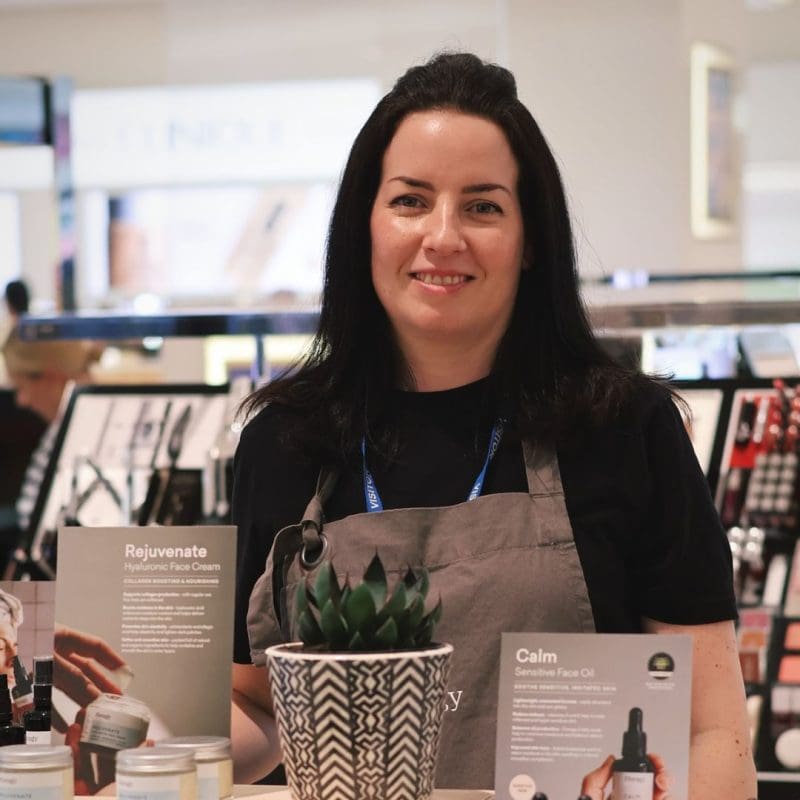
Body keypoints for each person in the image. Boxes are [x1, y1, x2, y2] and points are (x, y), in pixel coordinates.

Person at [231, 52, 756, 797]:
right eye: (411, 201)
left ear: (531, 238)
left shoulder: (625, 432)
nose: (443, 237)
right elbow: (257, 705)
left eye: (483, 206)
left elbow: (711, 733)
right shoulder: (284, 442)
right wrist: (132, 733)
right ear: (365, 225)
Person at [1, 332, 103, 535]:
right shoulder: (66, 424)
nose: (22, 401)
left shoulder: (88, 432)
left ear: (52, 377)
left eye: (22, 388)